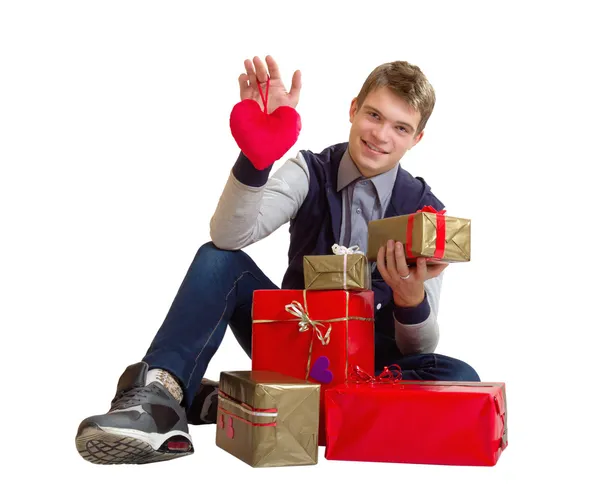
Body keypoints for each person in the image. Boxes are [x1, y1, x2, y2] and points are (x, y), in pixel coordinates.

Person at [75, 55, 480, 465]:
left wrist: (410, 299)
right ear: (353, 109)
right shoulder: (310, 170)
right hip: (295, 349)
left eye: (400, 127)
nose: (381, 135)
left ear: (417, 139)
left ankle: (247, 404)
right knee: (217, 260)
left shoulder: (427, 213)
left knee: (460, 378)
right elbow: (230, 235)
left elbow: (423, 345)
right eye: (374, 115)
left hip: (375, 371)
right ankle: (163, 399)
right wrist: (256, 159)